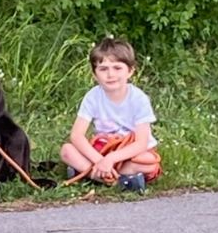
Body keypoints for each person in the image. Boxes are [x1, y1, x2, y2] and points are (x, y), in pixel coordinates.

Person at [60, 37, 162, 193]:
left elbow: (141, 143)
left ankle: (91, 173)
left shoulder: (139, 98)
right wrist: (100, 160)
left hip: (129, 151)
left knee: (148, 162)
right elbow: (77, 136)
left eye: (117, 68)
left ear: (130, 71)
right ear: (94, 74)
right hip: (104, 148)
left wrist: (111, 160)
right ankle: (118, 178)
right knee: (67, 150)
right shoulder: (92, 96)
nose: (110, 74)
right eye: (103, 69)